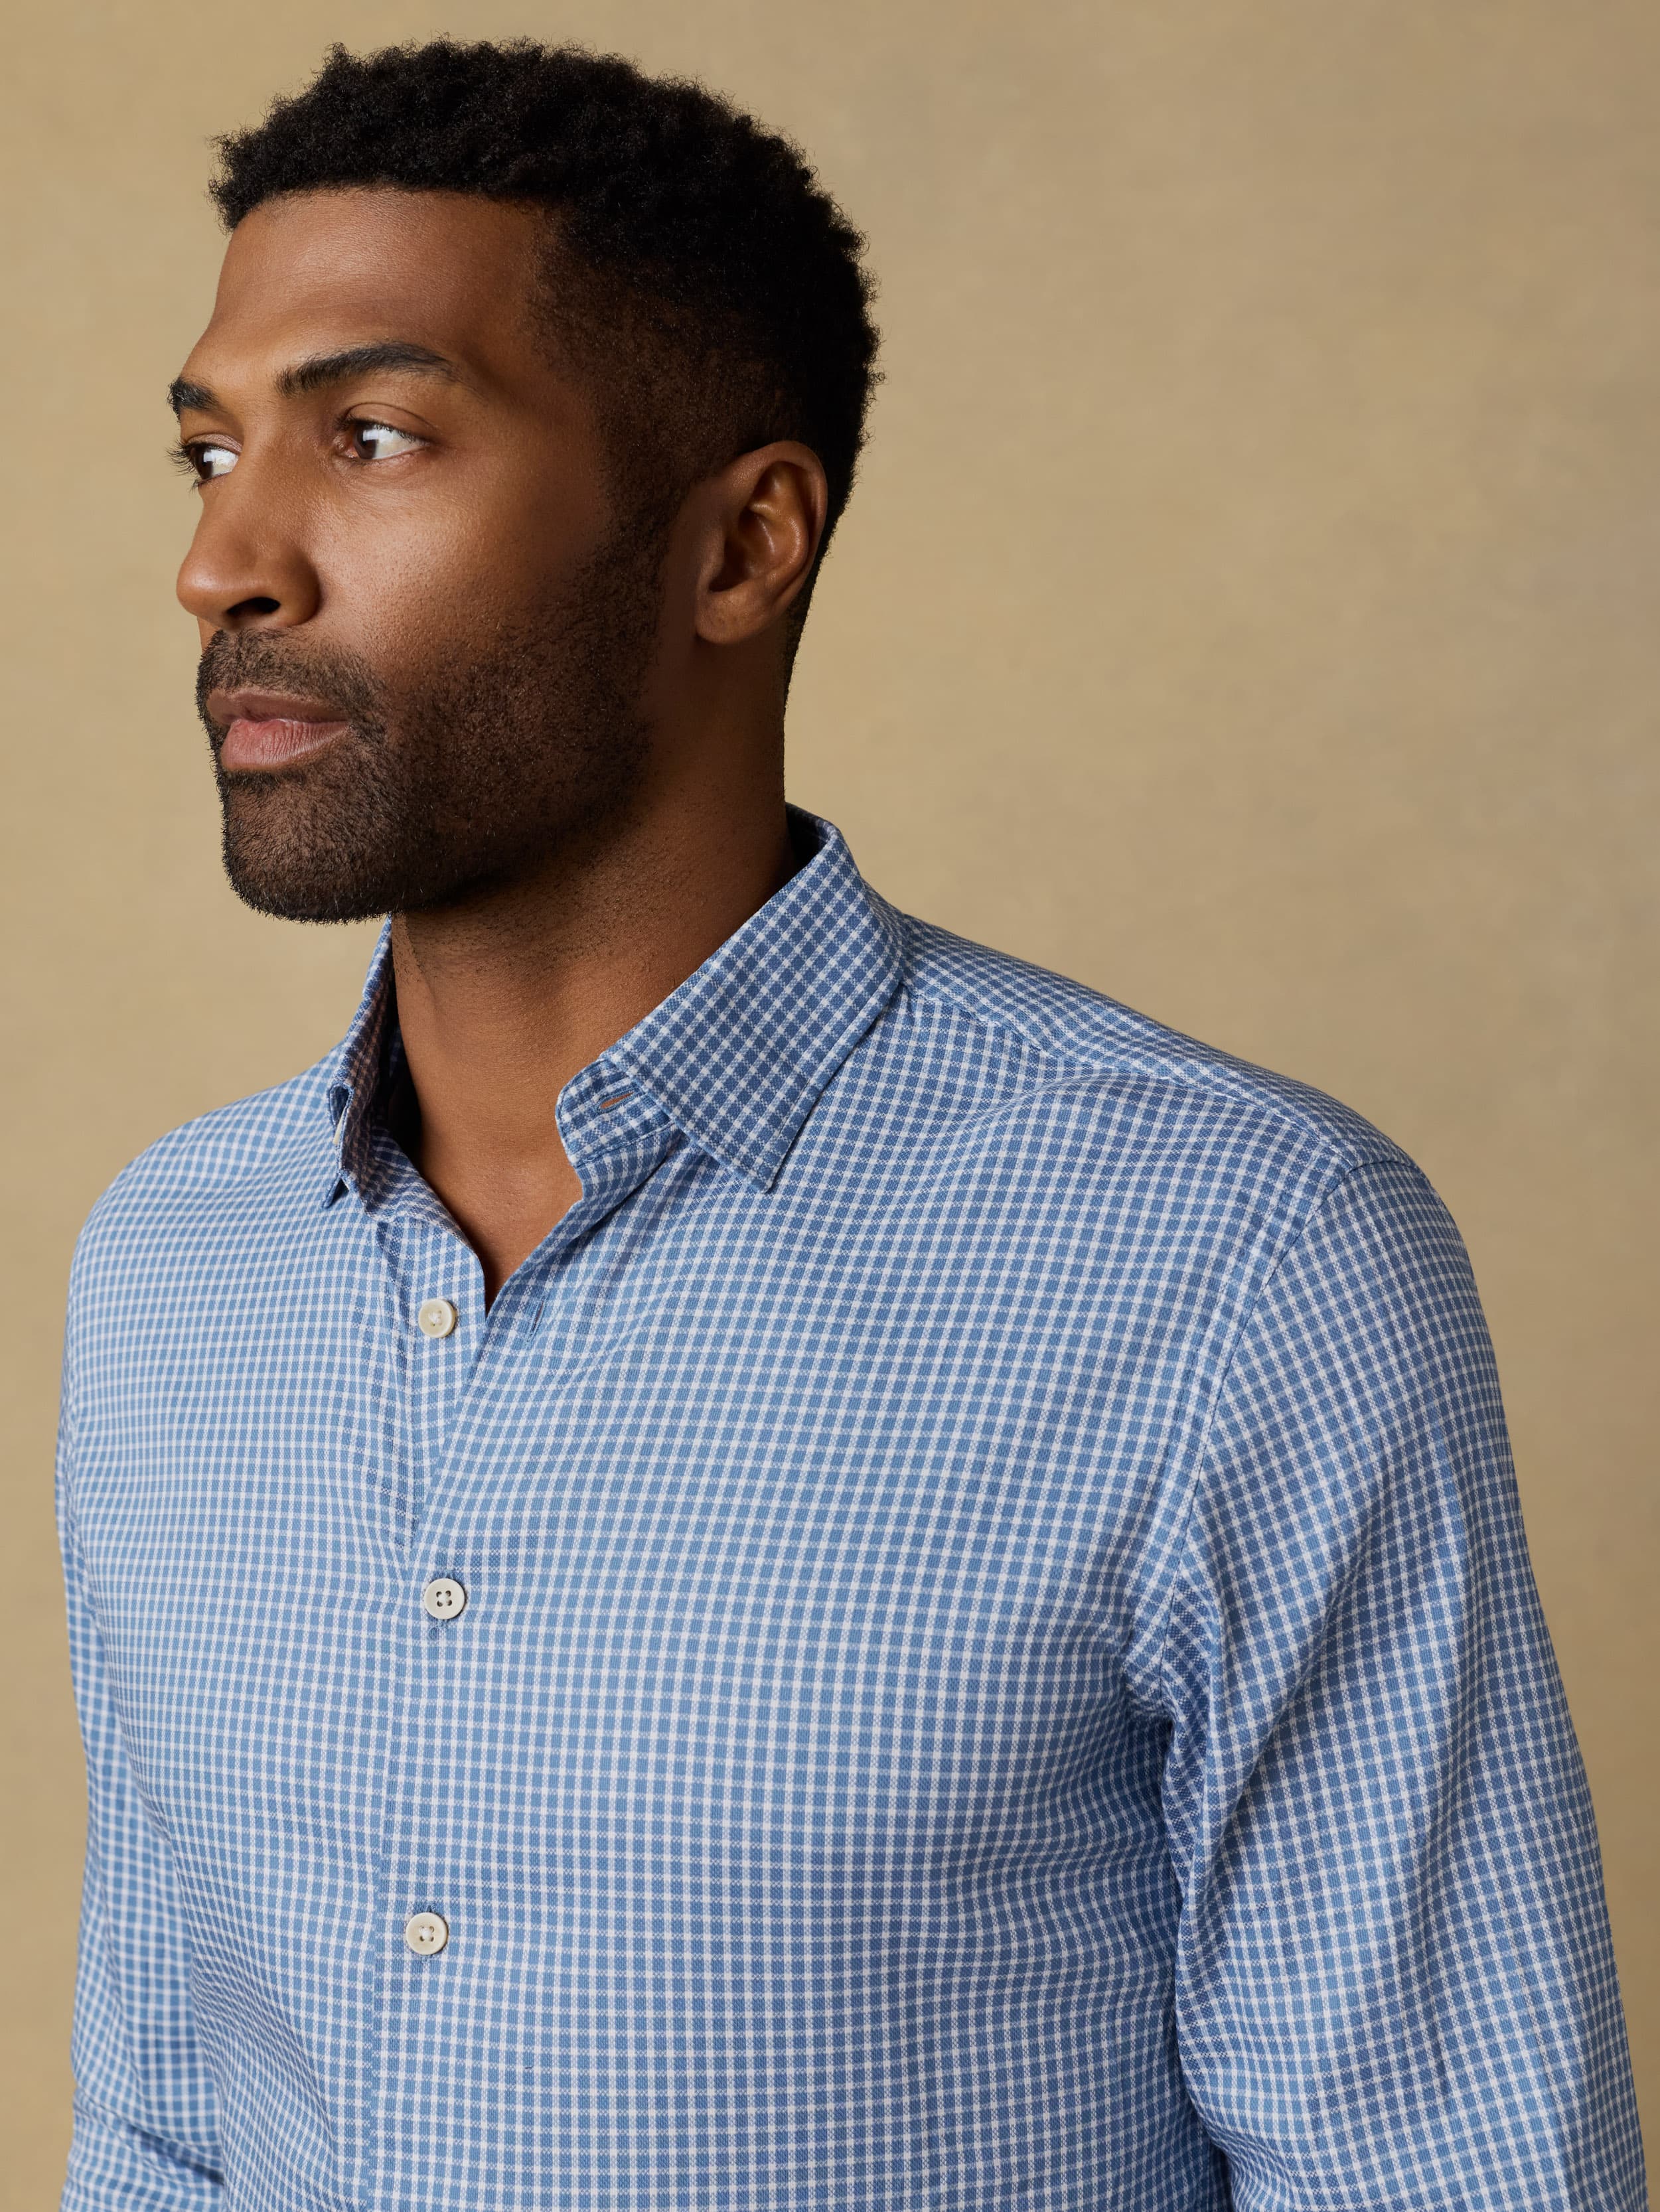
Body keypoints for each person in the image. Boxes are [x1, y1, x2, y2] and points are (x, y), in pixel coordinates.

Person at [56, 37, 1645, 2212]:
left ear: (744, 545)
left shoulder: (1240, 1262)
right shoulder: (175, 1269)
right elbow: (163, 2134)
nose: (224, 562)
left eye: (376, 437)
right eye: (210, 451)